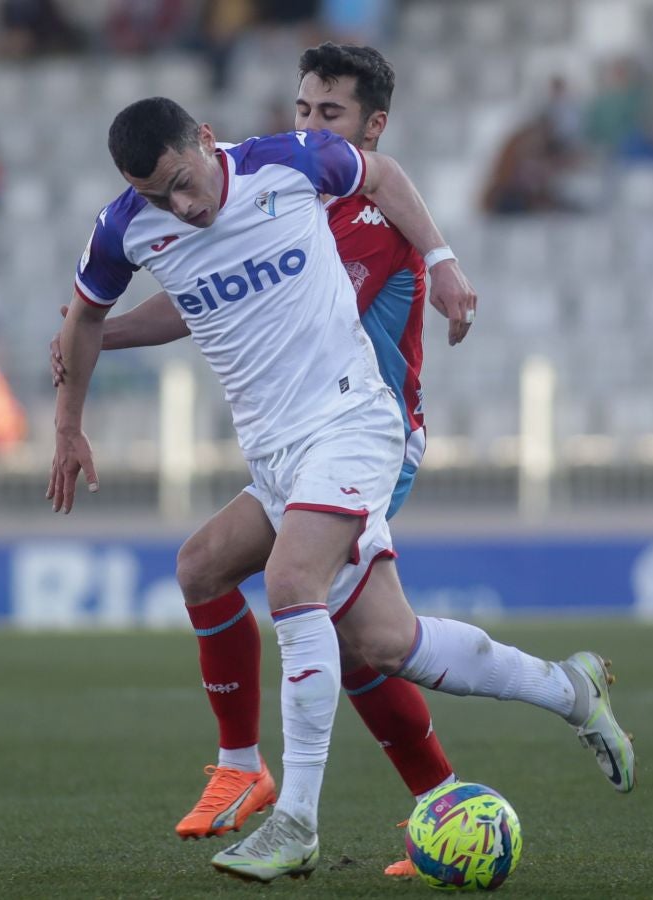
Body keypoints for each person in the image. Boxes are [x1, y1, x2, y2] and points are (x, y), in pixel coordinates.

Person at [51, 96, 634, 883]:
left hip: (353, 421)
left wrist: (444, 261)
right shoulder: (126, 225)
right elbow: (89, 317)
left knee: (294, 582)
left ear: (207, 141)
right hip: (276, 457)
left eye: (184, 183)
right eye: (158, 196)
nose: (179, 208)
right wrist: (67, 426)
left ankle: (295, 820)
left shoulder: (287, 165)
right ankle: (570, 689)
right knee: (345, 625)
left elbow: (384, 176)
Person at [51, 43, 473, 879]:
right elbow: (208, 288)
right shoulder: (280, 186)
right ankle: (252, 772)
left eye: (331, 116)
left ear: (370, 129)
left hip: (371, 429)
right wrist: (86, 339)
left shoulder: (363, 216)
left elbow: (254, 298)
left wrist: (443, 260)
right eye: (303, 110)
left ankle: (429, 804)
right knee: (223, 576)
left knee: (342, 626)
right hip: (298, 442)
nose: (310, 126)